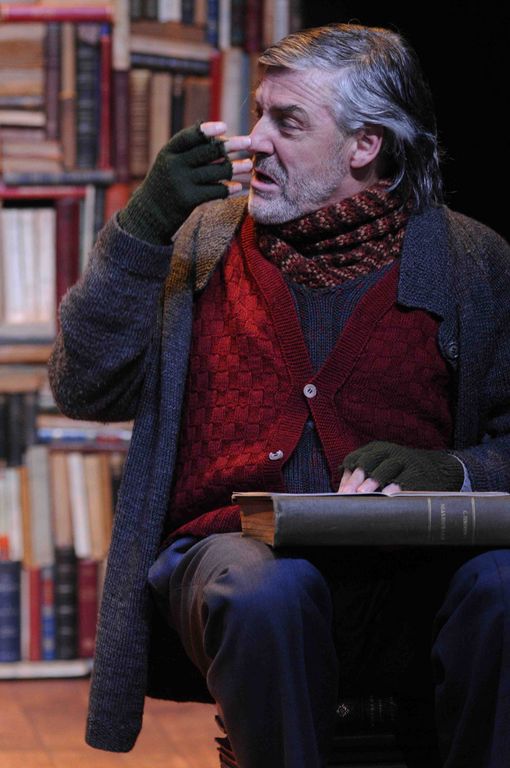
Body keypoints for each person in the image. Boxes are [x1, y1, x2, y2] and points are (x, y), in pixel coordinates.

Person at [48, 22, 510, 768]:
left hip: (412, 577)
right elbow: (83, 385)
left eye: (287, 123)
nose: (255, 140)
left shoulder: (468, 263)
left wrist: (452, 471)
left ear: (365, 145)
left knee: (504, 585)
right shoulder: (201, 242)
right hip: (230, 566)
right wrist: (143, 225)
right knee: (269, 590)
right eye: (259, 112)